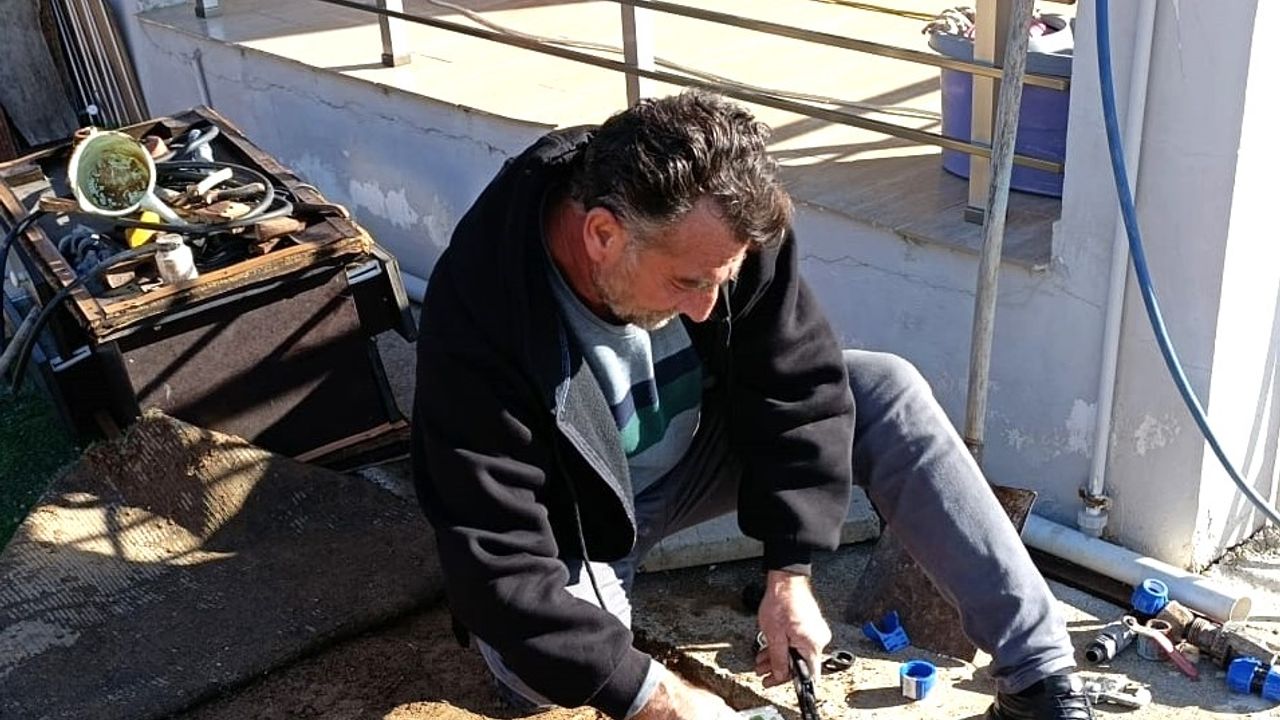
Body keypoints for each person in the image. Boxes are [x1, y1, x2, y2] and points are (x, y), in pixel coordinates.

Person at [411, 90, 1094, 720]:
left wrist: (789, 571)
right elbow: (497, 563)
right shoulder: (478, 314)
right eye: (687, 282)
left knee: (883, 387)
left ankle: (1041, 681)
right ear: (602, 235)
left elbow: (799, 389)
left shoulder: (727, 225)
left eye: (724, 280)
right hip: (573, 526)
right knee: (552, 674)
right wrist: (663, 698)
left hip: (695, 462)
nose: (707, 308)